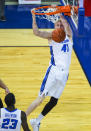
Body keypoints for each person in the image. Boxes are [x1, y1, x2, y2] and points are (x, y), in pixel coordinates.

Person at [26, 8, 73, 131]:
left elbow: (66, 22)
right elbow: (36, 32)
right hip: (54, 71)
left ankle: (36, 121)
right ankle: (21, 118)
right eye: (57, 25)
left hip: (65, 74)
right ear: (54, 27)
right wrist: (33, 17)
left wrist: (61, 12)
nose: (59, 26)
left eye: (61, 25)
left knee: (54, 101)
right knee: (40, 99)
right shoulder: (52, 36)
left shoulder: (69, 35)